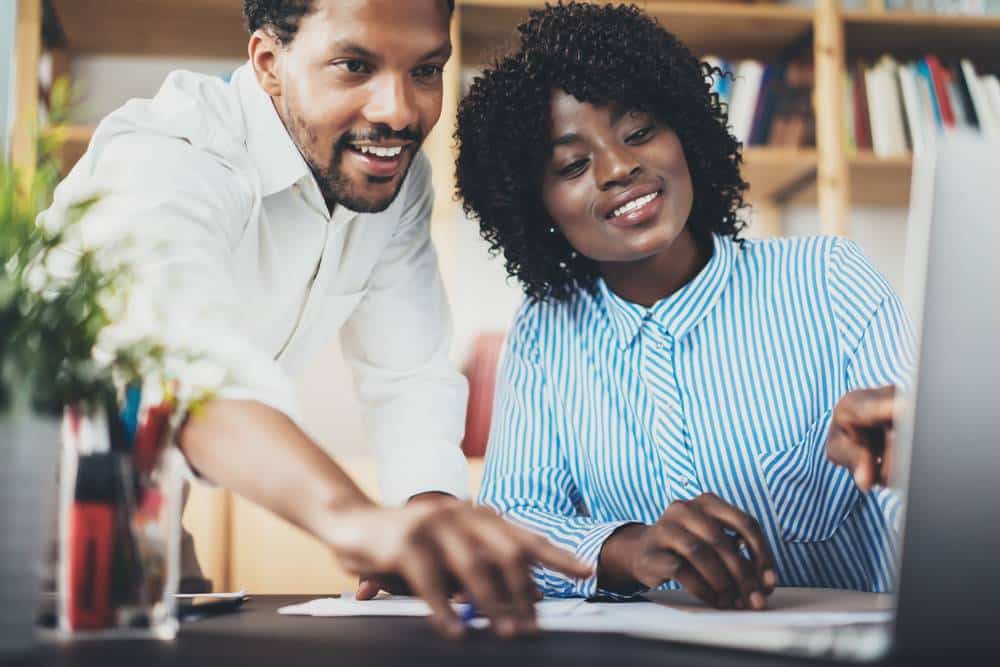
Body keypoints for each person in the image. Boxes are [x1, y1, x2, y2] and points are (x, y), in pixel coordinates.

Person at [39, 0, 589, 638]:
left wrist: (430, 513)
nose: (399, 111)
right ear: (269, 62)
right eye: (354, 66)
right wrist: (355, 520)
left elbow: (407, 372)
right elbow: (179, 369)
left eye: (427, 70)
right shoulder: (170, 158)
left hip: (142, 518)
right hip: (26, 518)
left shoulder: (393, 179)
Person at [456, 2, 914, 609]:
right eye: (572, 164)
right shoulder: (544, 333)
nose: (619, 168)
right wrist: (624, 549)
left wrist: (913, 453)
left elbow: (939, 499)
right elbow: (513, 517)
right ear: (533, 207)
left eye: (640, 131)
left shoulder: (828, 280)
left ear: (685, 132)